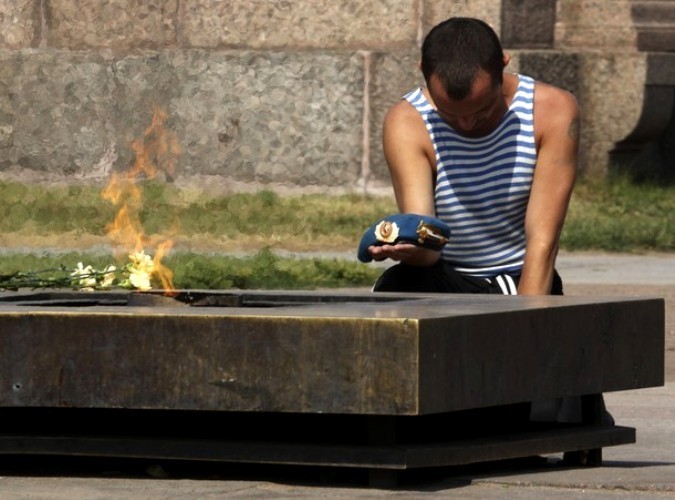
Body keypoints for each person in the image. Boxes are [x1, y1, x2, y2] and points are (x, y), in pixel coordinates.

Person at [369, 17, 578, 296]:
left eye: (483, 110)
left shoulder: (551, 111)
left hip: (515, 277)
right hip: (444, 273)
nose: (467, 124)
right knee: (396, 287)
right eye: (450, 114)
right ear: (422, 71)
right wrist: (411, 248)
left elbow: (543, 242)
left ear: (503, 64)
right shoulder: (408, 121)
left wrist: (526, 325)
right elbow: (429, 245)